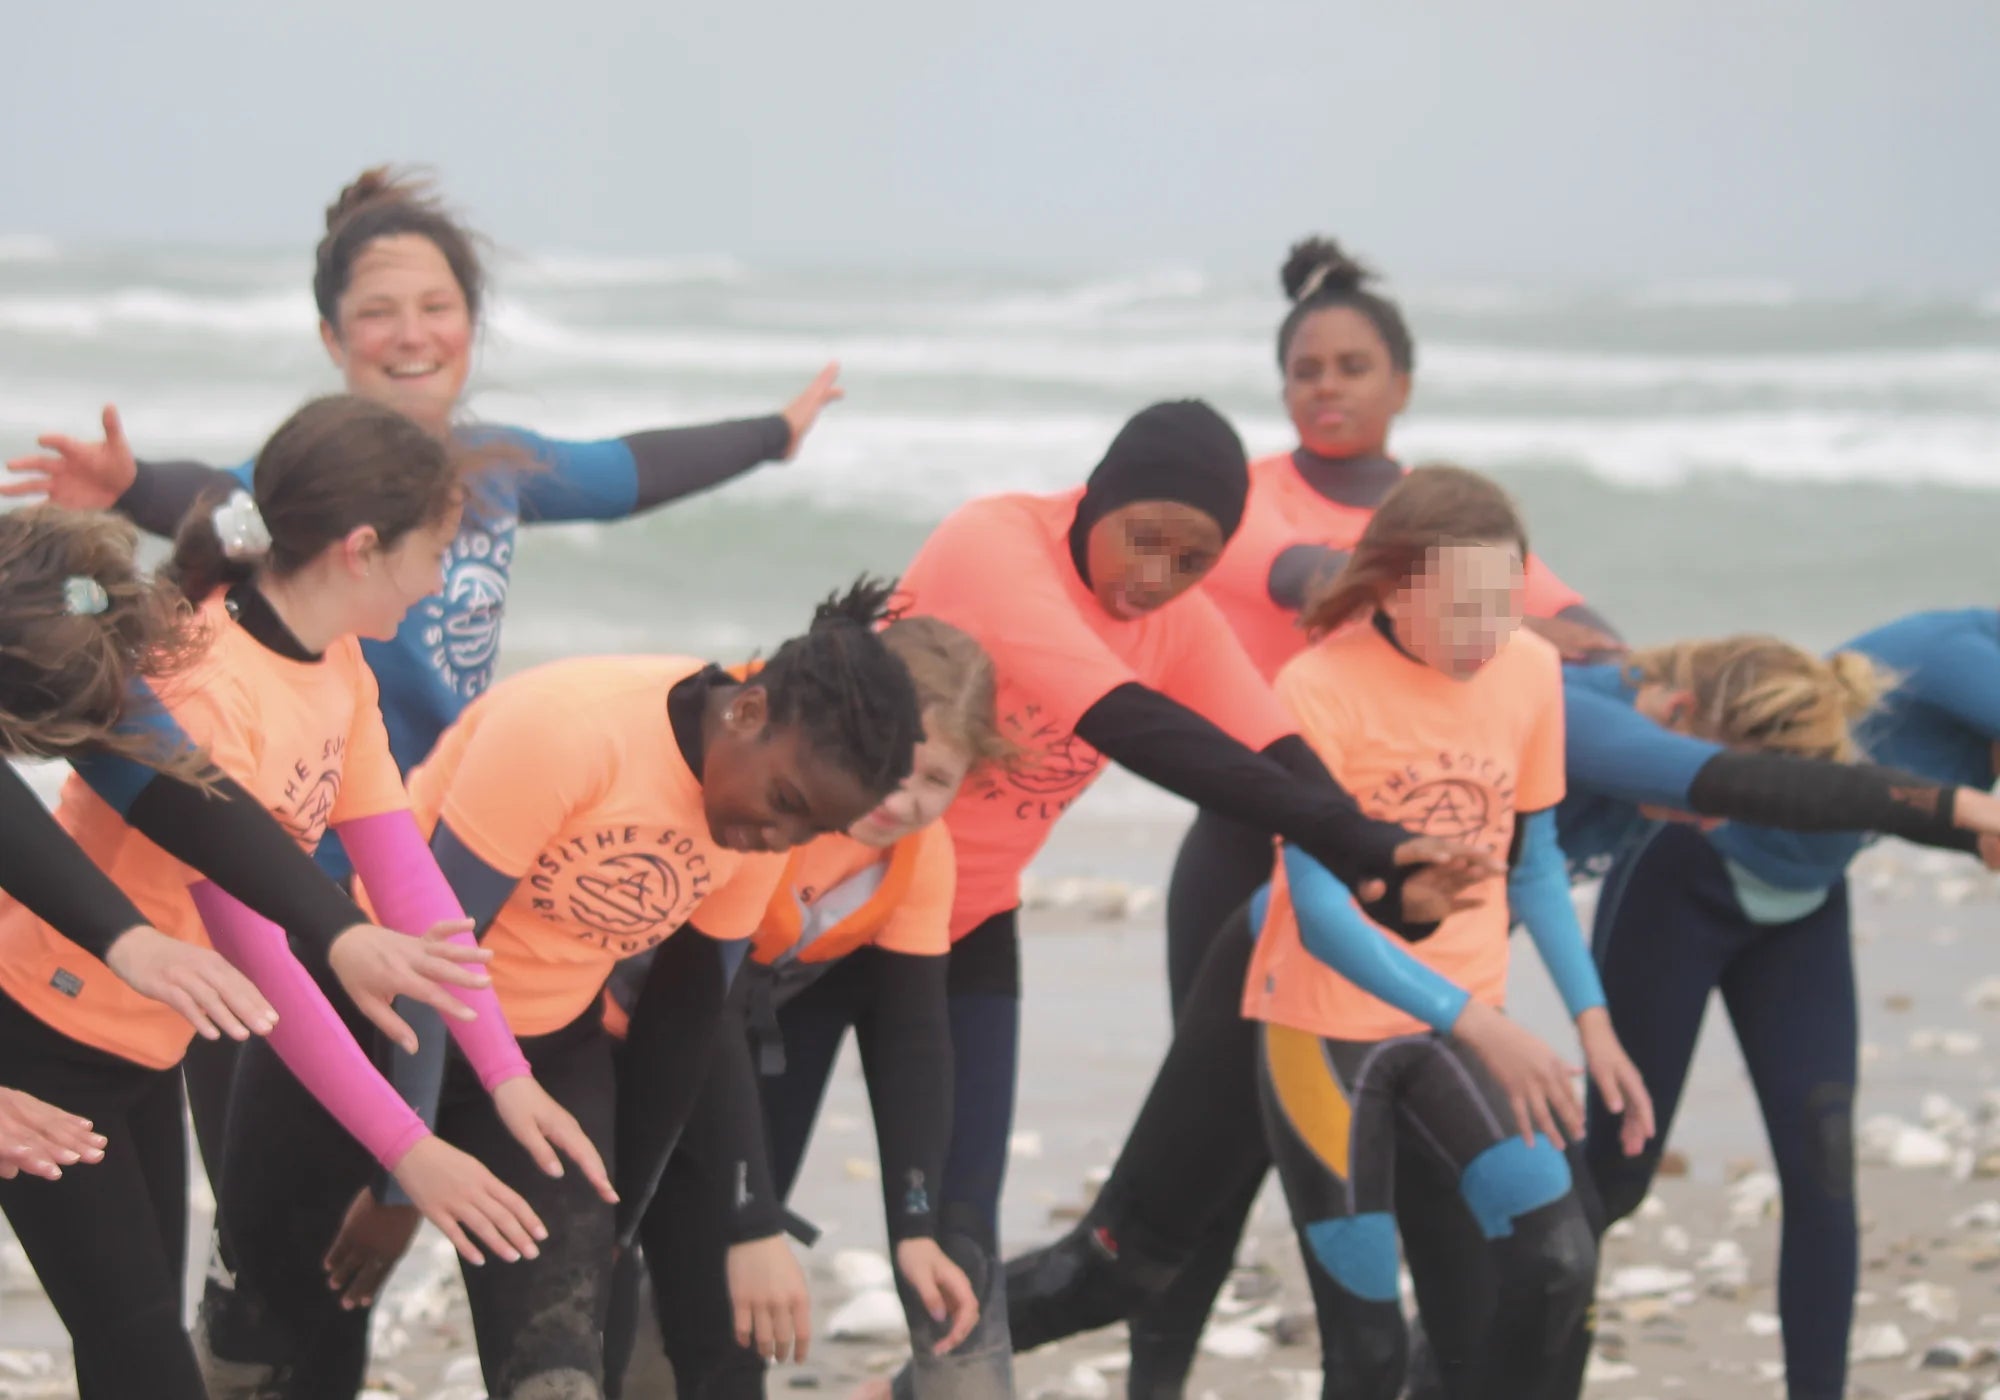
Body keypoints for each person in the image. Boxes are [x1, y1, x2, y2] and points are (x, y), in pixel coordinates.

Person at [4, 164, 844, 1185]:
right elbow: (217, 511)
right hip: (265, 886)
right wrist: (130, 485)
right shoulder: (300, 499)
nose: (411, 334)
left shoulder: (496, 469)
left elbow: (628, 470)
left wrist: (773, 435)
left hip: (405, 858)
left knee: (389, 1157)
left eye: (437, 307)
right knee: (276, 1200)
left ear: (471, 323)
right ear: (331, 338)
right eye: (377, 312)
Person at [1008, 628, 2000, 1399]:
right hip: (1289, 977)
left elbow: (1528, 879)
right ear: (1685, 711)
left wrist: (1580, 1020)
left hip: (1419, 1017)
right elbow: (1730, 778)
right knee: (1124, 1259)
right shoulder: (1594, 719)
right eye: (1710, 796)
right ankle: (920, 1371)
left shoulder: (1605, 706)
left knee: (1531, 1272)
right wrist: (1956, 810)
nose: (1711, 823)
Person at [0, 399, 614, 1400]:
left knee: (136, 1333)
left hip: (146, 1036)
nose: (436, 580)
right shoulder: (207, 683)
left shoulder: (336, 667)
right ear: (363, 547)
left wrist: (502, 1072)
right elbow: (263, 958)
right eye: (435, 552)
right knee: (143, 1342)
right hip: (45, 1026)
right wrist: (405, 1146)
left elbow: (407, 882)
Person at [886, 398, 1501, 1393]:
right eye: (1142, 541)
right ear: (1098, 498)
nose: (1153, 579)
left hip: (964, 925)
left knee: (959, 1221)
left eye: (1191, 558)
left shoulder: (1171, 616)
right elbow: (1132, 723)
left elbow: (1275, 750)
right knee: (722, 1201)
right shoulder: (992, 544)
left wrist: (1385, 866)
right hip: (812, 914)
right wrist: (1357, 840)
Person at [209, 579, 926, 1399]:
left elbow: (688, 1016)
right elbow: (437, 952)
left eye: (811, 830)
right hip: (370, 1019)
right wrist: (400, 1181)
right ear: (749, 712)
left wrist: (619, 1218)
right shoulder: (572, 730)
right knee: (272, 1347)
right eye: (786, 804)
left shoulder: (755, 827)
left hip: (547, 1061)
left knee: (559, 1370)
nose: (781, 839)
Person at [1140, 243, 1624, 1384]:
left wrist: (1571, 651)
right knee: (1206, 1184)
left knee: (1452, 1217)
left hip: (1425, 895)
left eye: (1353, 364)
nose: (1327, 385)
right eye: (1305, 367)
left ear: (1400, 379)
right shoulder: (1254, 501)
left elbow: (1576, 630)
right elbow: (1307, 573)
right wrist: (1487, 601)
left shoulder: (1462, 552)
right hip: (1251, 866)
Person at [1563, 610, 2000, 1400]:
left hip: (1802, 907)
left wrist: (1971, 837)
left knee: (1823, 1168)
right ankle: (1490, 1354)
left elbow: (1893, 807)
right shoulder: (1966, 653)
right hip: (1685, 874)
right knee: (1618, 1170)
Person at [611, 617, 1011, 1399]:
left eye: (937, 782)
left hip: (711, 1045)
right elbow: (702, 1001)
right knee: (624, 1276)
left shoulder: (918, 857)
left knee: (722, 1326)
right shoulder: (775, 808)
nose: (903, 801)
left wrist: (917, 1229)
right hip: (607, 1034)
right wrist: (752, 1218)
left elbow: (913, 1040)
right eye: (897, 770)